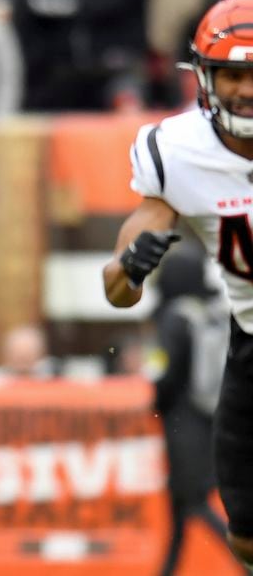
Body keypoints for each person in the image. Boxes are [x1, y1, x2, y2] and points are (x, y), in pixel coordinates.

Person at [102, 0, 253, 570]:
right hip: (249, 339)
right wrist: (130, 267)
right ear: (202, 75)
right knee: (245, 528)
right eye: (225, 74)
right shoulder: (178, 150)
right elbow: (118, 288)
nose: (240, 89)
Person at [150, 244, 239, 576]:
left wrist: (155, 402)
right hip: (207, 418)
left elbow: (166, 372)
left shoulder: (176, 316)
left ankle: (248, 563)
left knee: (194, 502)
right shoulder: (208, 311)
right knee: (180, 507)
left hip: (181, 424)